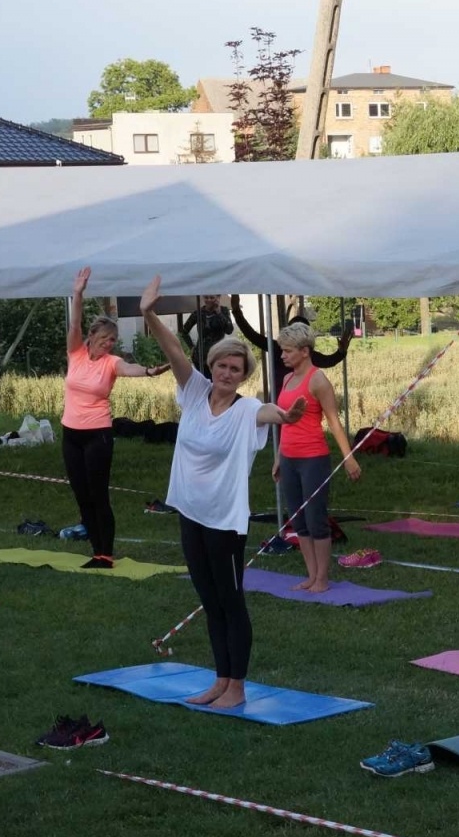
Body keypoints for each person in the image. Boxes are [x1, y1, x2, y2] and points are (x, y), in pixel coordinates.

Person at [140, 277, 306, 709]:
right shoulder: (194, 393)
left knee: (231, 602)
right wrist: (148, 313)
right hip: (191, 514)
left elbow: (269, 412)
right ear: (211, 367)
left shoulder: (247, 409)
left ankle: (238, 687)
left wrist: (286, 417)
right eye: (222, 366)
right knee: (210, 602)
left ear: (244, 375)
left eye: (236, 369)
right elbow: (175, 352)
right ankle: (220, 681)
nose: (227, 373)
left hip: (225, 523)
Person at [63, 267, 166, 569]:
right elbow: (74, 322)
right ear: (92, 336)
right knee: (81, 495)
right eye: (105, 338)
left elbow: (129, 369)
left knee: (98, 495)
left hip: (98, 435)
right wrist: (78, 293)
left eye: (113, 340)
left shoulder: (112, 362)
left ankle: (105, 555)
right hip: (70, 434)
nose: (109, 343)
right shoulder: (76, 354)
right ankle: (95, 550)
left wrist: (148, 371)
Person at [270, 321, 362, 592]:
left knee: (315, 520)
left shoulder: (318, 380)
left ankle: (322, 578)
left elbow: (333, 421)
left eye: (287, 351)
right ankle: (311, 576)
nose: (282, 356)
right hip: (289, 458)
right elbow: (285, 421)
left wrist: (349, 458)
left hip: (313, 459)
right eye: (282, 350)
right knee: (298, 521)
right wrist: (279, 457)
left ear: (305, 351)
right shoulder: (287, 379)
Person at [232, 297, 350, 391]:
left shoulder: (306, 353)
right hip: (280, 400)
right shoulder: (278, 348)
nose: (284, 355)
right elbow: (252, 335)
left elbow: (328, 361)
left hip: (299, 400)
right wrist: (236, 311)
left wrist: (341, 352)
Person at [179, 294, 234, 373]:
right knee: (203, 379)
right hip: (201, 357)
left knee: (217, 378)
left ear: (218, 298)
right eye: (206, 297)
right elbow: (184, 332)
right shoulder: (198, 313)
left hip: (218, 355)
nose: (209, 300)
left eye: (212, 297)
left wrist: (219, 313)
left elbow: (229, 330)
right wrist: (191, 347)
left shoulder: (224, 311)